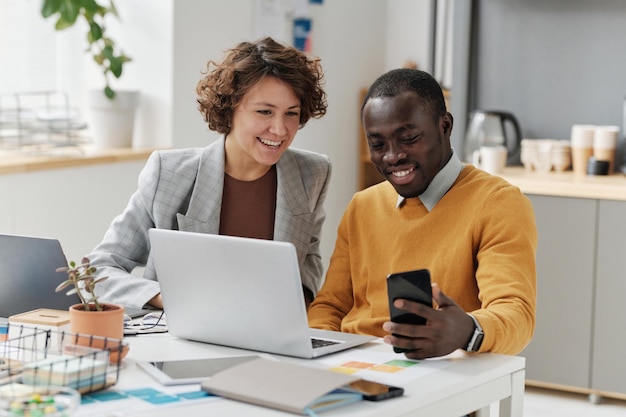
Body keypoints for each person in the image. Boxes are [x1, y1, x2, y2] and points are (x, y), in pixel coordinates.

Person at [308, 68, 537, 359]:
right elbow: (330, 307)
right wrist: (321, 352)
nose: (392, 156)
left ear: (445, 126)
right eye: (378, 145)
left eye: (409, 138)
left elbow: (517, 314)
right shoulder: (362, 206)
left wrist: (468, 330)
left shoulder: (497, 203)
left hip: (441, 372)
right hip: (354, 367)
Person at [87, 37, 330, 310]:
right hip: (183, 335)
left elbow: (308, 260)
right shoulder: (168, 174)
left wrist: (298, 303)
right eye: (264, 111)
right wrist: (167, 298)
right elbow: (98, 269)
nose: (280, 129)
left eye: (291, 113)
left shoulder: (313, 173)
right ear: (230, 108)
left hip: (274, 334)